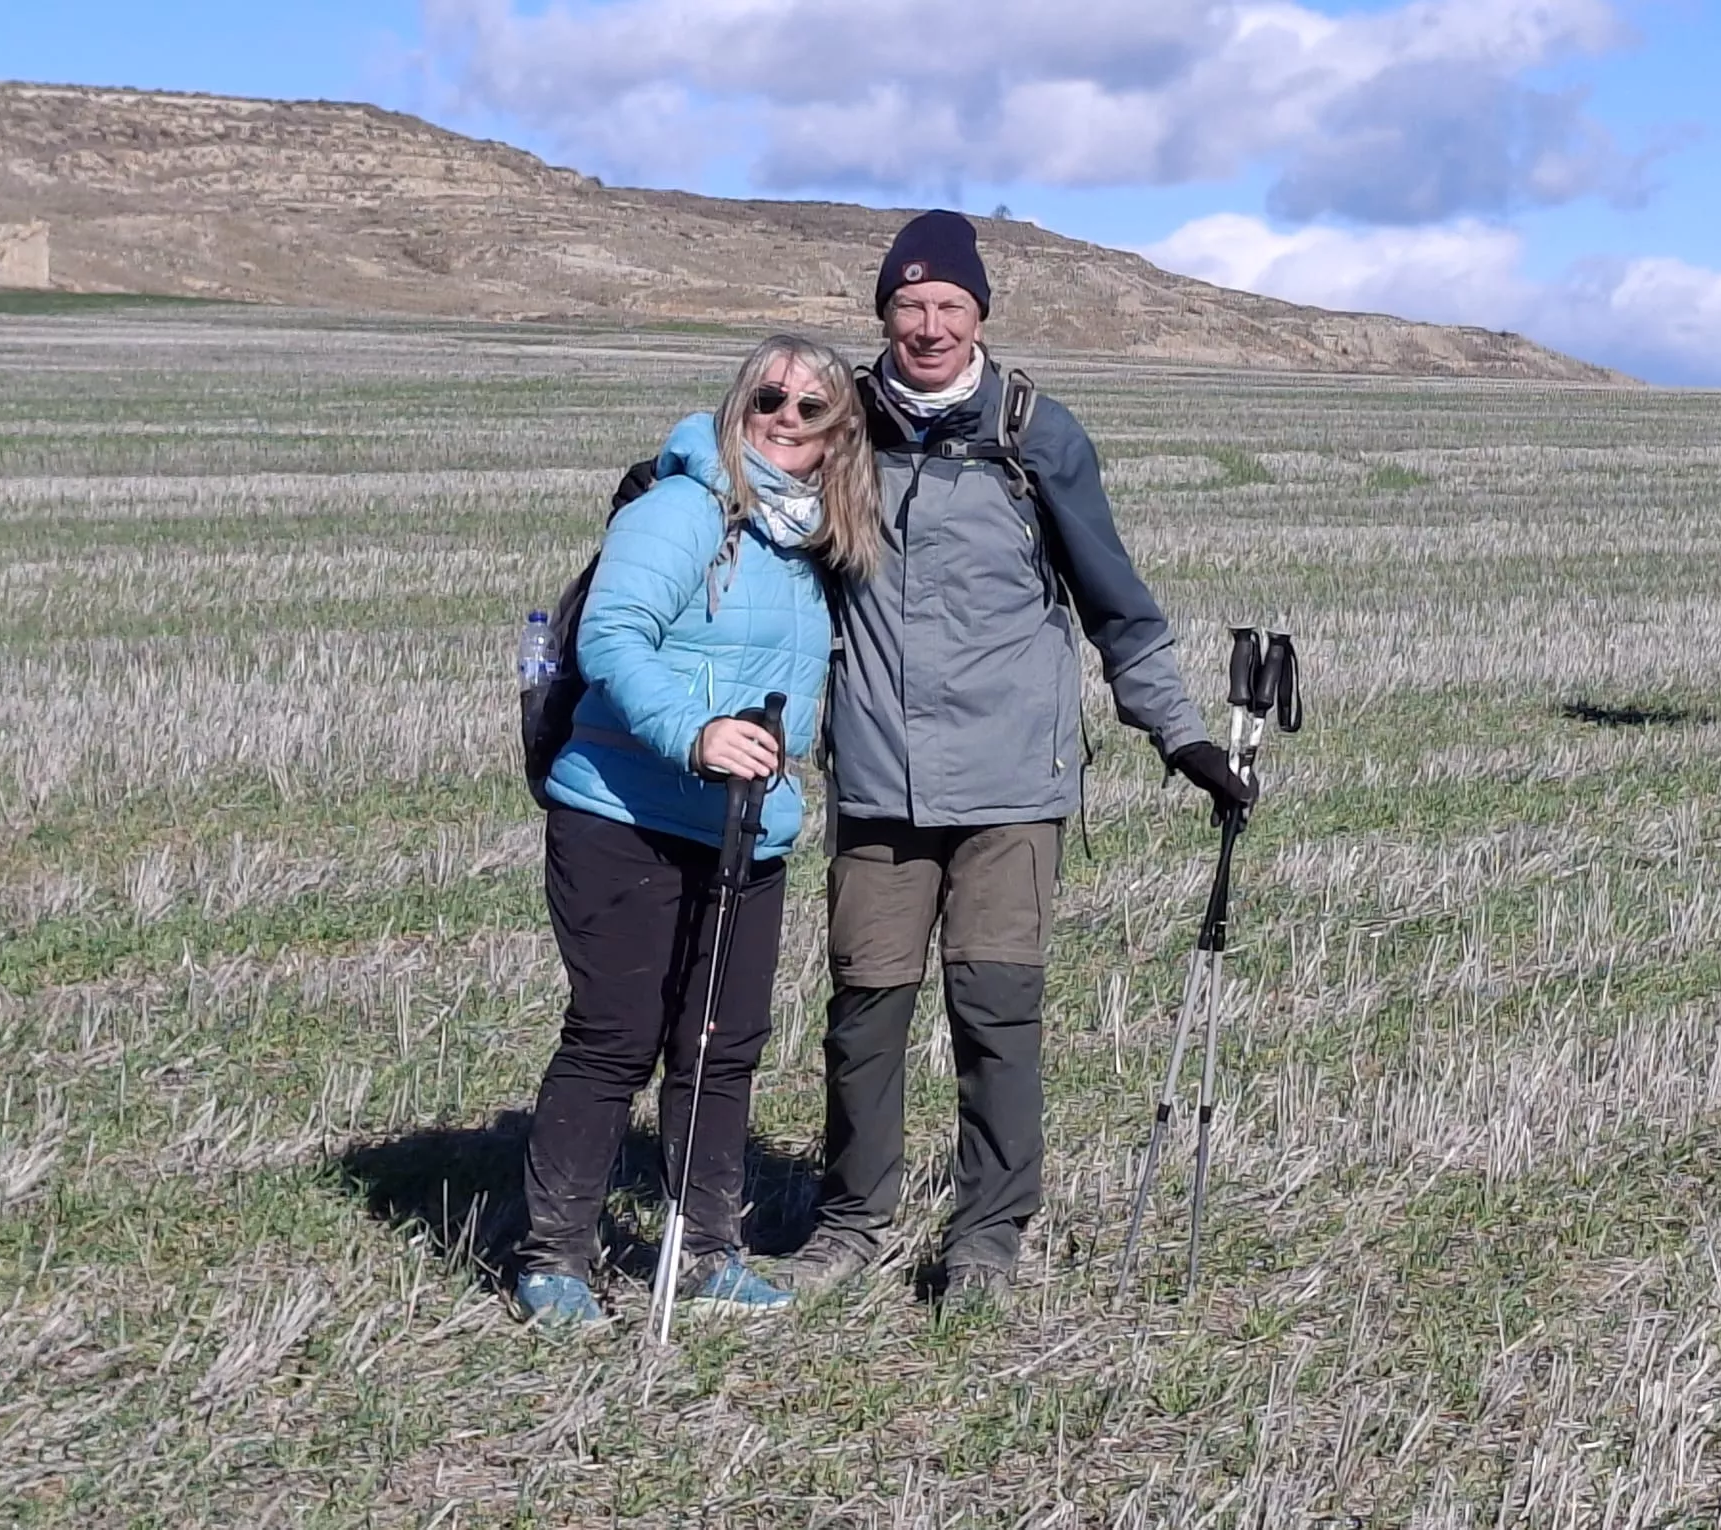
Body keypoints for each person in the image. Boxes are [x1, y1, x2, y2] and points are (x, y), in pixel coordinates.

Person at [777, 209, 1254, 1309]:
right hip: (881, 782)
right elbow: (749, 494)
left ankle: (989, 1236)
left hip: (1010, 786)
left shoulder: (1040, 434)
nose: (930, 325)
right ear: (883, 313)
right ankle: (851, 1221)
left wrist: (1179, 734)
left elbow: (1118, 609)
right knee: (864, 1017)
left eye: (951, 306)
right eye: (910, 304)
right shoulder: (841, 424)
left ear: (981, 315)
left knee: (996, 1015)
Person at [514, 336, 878, 1328]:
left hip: (744, 830)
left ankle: (707, 1250)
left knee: (721, 1044)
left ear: (840, 430)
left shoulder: (817, 540)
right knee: (615, 1038)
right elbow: (611, 637)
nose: (786, 416)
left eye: (812, 407)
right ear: (738, 404)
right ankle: (556, 1262)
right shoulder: (685, 507)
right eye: (769, 396)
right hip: (624, 813)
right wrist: (694, 732)